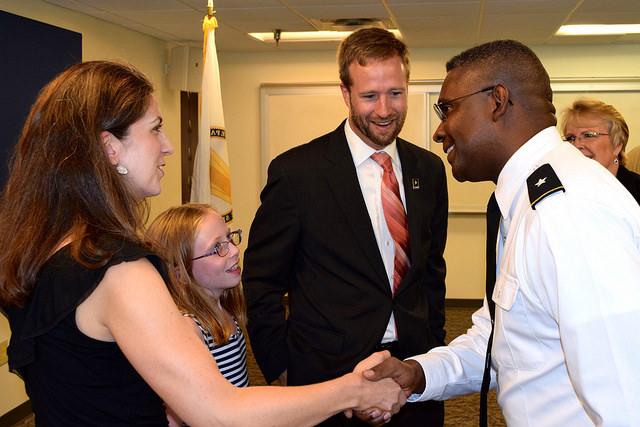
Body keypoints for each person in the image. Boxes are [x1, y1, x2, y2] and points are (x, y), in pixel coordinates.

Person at [0, 60, 405, 426]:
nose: (168, 145)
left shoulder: (46, 247)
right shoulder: (118, 270)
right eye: (155, 128)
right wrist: (353, 390)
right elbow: (220, 411)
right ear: (110, 148)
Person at [363, 40, 640, 425]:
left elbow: (626, 400)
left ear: (497, 100)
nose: (439, 131)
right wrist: (418, 373)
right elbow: (503, 340)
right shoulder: (527, 200)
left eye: (448, 108)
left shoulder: (567, 211)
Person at [242, 27, 448, 426]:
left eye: (396, 93)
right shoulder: (298, 173)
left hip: (415, 373)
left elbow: (431, 271)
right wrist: (279, 364)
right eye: (370, 96)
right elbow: (262, 281)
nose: (385, 109)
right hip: (326, 379)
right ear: (345, 93)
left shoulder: (429, 170)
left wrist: (433, 349)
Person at [147, 204, 248, 426]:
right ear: (179, 273)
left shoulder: (224, 310)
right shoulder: (189, 329)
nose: (234, 250)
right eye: (217, 247)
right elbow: (174, 415)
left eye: (230, 238)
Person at [561, 98, 640, 203]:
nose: (577, 145)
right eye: (570, 138)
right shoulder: (560, 191)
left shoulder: (636, 191)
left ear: (617, 145)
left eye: (588, 135)